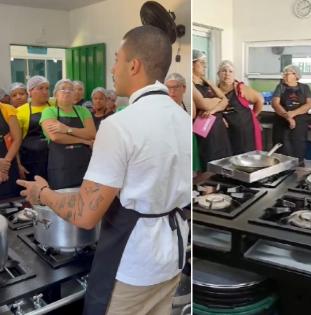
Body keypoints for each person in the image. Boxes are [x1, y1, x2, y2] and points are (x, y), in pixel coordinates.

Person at [18, 25, 189, 315]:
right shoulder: (181, 116)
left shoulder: (120, 125)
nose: (113, 69)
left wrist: (42, 193)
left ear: (133, 65)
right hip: (173, 254)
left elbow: (85, 214)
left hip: (133, 262)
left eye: (116, 59)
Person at [40, 79, 95, 189]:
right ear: (55, 94)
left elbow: (91, 133)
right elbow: (56, 137)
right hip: (61, 168)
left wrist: (67, 129)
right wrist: (83, 140)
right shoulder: (49, 112)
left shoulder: (83, 111)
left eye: (71, 89)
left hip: (85, 165)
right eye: (63, 89)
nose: (67, 91)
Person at [192, 49, 231, 170]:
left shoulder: (206, 82)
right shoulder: (191, 83)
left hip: (218, 127)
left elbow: (225, 100)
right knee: (209, 164)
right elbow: (204, 104)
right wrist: (217, 100)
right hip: (205, 128)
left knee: (223, 163)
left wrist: (214, 109)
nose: (205, 66)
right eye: (202, 62)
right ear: (192, 64)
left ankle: (219, 188)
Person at [217, 60, 264, 155]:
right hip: (227, 131)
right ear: (218, 74)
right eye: (224, 71)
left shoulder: (240, 89)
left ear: (234, 75)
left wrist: (254, 116)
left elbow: (260, 100)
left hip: (245, 130)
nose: (227, 74)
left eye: (230, 71)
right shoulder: (214, 90)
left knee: (248, 157)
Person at [271, 65, 311, 162]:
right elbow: (275, 104)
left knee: (298, 149)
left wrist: (293, 113)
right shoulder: (280, 87)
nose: (284, 76)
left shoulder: (305, 88)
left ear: (295, 75)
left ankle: (298, 171)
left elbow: (309, 104)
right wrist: (288, 117)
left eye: (287, 73)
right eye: (283, 74)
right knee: (282, 152)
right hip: (282, 123)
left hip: (299, 125)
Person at [16, 76, 51, 181]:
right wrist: (18, 165)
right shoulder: (20, 111)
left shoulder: (55, 106)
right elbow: (15, 141)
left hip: (53, 159)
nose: (45, 92)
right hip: (30, 162)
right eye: (40, 88)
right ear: (30, 91)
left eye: (47, 88)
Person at [0, 101, 22, 199]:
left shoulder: (7, 109)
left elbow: (17, 139)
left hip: (9, 165)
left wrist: (5, 165)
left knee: (12, 204)